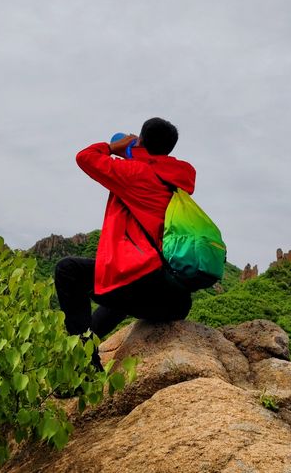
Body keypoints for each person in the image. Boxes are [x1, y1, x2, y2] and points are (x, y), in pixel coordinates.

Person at [54, 117, 195, 367]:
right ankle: (91, 345)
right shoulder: (177, 179)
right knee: (122, 279)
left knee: (68, 270)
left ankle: (84, 367)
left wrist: (113, 148)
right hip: (176, 300)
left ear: (140, 139)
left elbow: (85, 157)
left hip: (145, 289)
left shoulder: (136, 173)